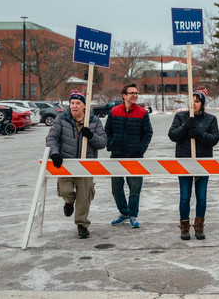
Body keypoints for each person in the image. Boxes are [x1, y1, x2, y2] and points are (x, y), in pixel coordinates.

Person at [46, 90, 106, 239]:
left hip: (86, 165)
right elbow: (51, 138)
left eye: (77, 103)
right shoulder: (61, 119)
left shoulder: (94, 121)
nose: (74, 106)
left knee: (84, 196)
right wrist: (54, 153)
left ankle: (82, 224)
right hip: (66, 164)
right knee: (66, 190)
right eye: (72, 103)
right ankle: (68, 201)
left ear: (84, 105)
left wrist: (91, 136)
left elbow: (103, 142)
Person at [168, 87, 219, 240]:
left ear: (202, 103)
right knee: (185, 196)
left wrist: (198, 133)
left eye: (197, 101)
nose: (194, 104)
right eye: (192, 100)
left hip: (203, 162)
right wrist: (186, 127)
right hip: (184, 161)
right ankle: (184, 226)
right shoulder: (180, 116)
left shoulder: (210, 119)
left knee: (201, 196)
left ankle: (199, 226)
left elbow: (214, 139)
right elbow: (172, 135)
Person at [106, 83, 153, 229]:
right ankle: (124, 213)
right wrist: (111, 144)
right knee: (116, 188)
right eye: (131, 93)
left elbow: (148, 133)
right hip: (117, 156)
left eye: (136, 93)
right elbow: (107, 130)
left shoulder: (142, 113)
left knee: (135, 189)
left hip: (135, 156)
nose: (134, 95)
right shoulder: (114, 112)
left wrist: (141, 149)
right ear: (124, 96)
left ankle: (133, 215)